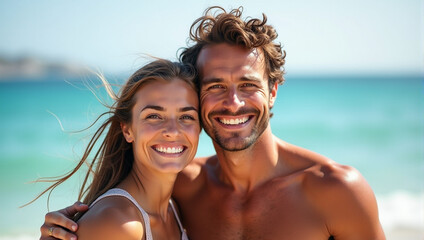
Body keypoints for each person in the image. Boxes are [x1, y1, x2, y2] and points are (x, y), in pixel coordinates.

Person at [40, 6, 386, 240]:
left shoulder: (337, 191)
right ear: (198, 96)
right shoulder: (181, 188)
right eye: (216, 86)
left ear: (273, 92)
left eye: (248, 85)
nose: (233, 102)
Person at [37, 59, 200, 239]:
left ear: (199, 128)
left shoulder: (174, 210)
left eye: (186, 116)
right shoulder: (117, 224)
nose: (172, 131)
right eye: (154, 116)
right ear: (127, 130)